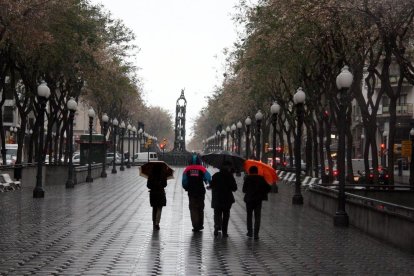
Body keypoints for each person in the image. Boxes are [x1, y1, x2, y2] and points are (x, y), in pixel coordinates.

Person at [182, 154, 211, 232]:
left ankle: (195, 226)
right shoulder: (202, 168)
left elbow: (184, 181)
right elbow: (208, 177)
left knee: (193, 208)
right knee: (200, 208)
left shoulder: (187, 169)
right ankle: (200, 225)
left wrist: (186, 187)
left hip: (191, 191)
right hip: (200, 191)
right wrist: (206, 182)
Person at [210, 161, 237, 237]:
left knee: (217, 214)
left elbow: (211, 185)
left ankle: (216, 226)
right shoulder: (230, 176)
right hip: (226, 199)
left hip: (217, 198)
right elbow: (234, 188)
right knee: (226, 215)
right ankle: (224, 232)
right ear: (228, 168)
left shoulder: (215, 175)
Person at [243, 165, 271, 239]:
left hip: (249, 200)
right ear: (257, 171)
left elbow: (244, 190)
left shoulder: (247, 178)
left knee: (249, 216)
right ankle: (256, 234)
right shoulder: (261, 178)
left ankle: (250, 232)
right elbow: (268, 188)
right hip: (258, 200)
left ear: (250, 171)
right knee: (257, 216)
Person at [147, 164, 168, 230]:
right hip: (160, 193)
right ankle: (157, 223)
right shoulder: (163, 174)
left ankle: (154, 222)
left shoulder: (151, 174)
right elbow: (165, 184)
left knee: (154, 208)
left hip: (153, 193)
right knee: (159, 208)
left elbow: (148, 185)